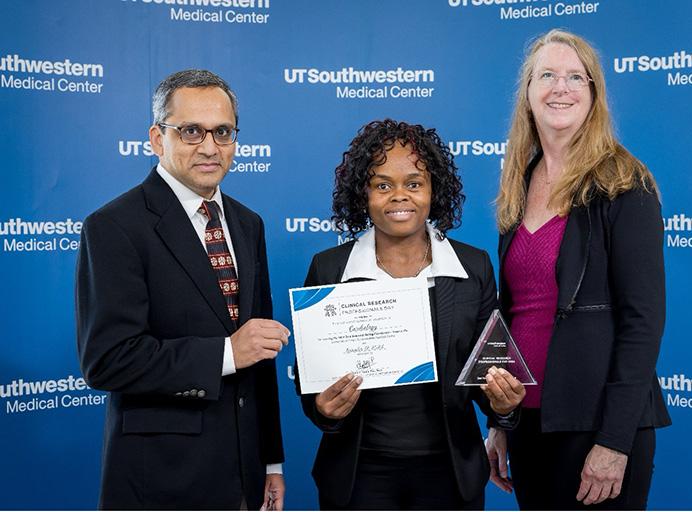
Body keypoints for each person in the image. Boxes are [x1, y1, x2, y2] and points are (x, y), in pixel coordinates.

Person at [76, 69, 289, 510]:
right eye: (191, 131)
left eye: (223, 132)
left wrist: (271, 461)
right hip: (159, 479)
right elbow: (108, 361)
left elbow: (260, 349)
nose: (210, 147)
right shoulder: (115, 226)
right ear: (157, 138)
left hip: (244, 474)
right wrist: (226, 354)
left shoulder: (248, 224)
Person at [294, 119, 525, 510]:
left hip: (449, 475)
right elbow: (310, 380)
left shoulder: (474, 267)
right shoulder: (329, 269)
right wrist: (323, 410)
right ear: (362, 195)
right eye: (382, 185)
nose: (399, 196)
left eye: (414, 183)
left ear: (434, 191)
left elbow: (488, 378)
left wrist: (503, 406)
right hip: (358, 475)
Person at [486, 29, 672, 510]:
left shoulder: (624, 183)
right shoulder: (519, 185)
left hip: (598, 426)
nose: (560, 87)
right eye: (547, 75)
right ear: (528, 93)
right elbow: (516, 314)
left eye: (576, 77)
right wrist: (500, 422)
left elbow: (642, 321)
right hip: (528, 423)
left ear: (594, 95)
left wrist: (614, 442)